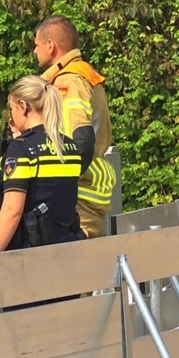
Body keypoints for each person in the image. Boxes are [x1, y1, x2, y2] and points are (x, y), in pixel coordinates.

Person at [0, 76, 91, 358]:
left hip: (30, 263)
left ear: (23, 107)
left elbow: (12, 211)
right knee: (69, 348)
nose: (10, 116)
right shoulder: (67, 147)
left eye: (12, 109)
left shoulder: (21, 149)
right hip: (66, 255)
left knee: (26, 355)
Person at [36, 16, 115, 239]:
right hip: (88, 190)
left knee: (80, 265)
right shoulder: (84, 74)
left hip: (78, 194)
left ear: (50, 45)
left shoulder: (67, 81)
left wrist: (60, 188)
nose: (35, 51)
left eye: (37, 44)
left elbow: (79, 141)